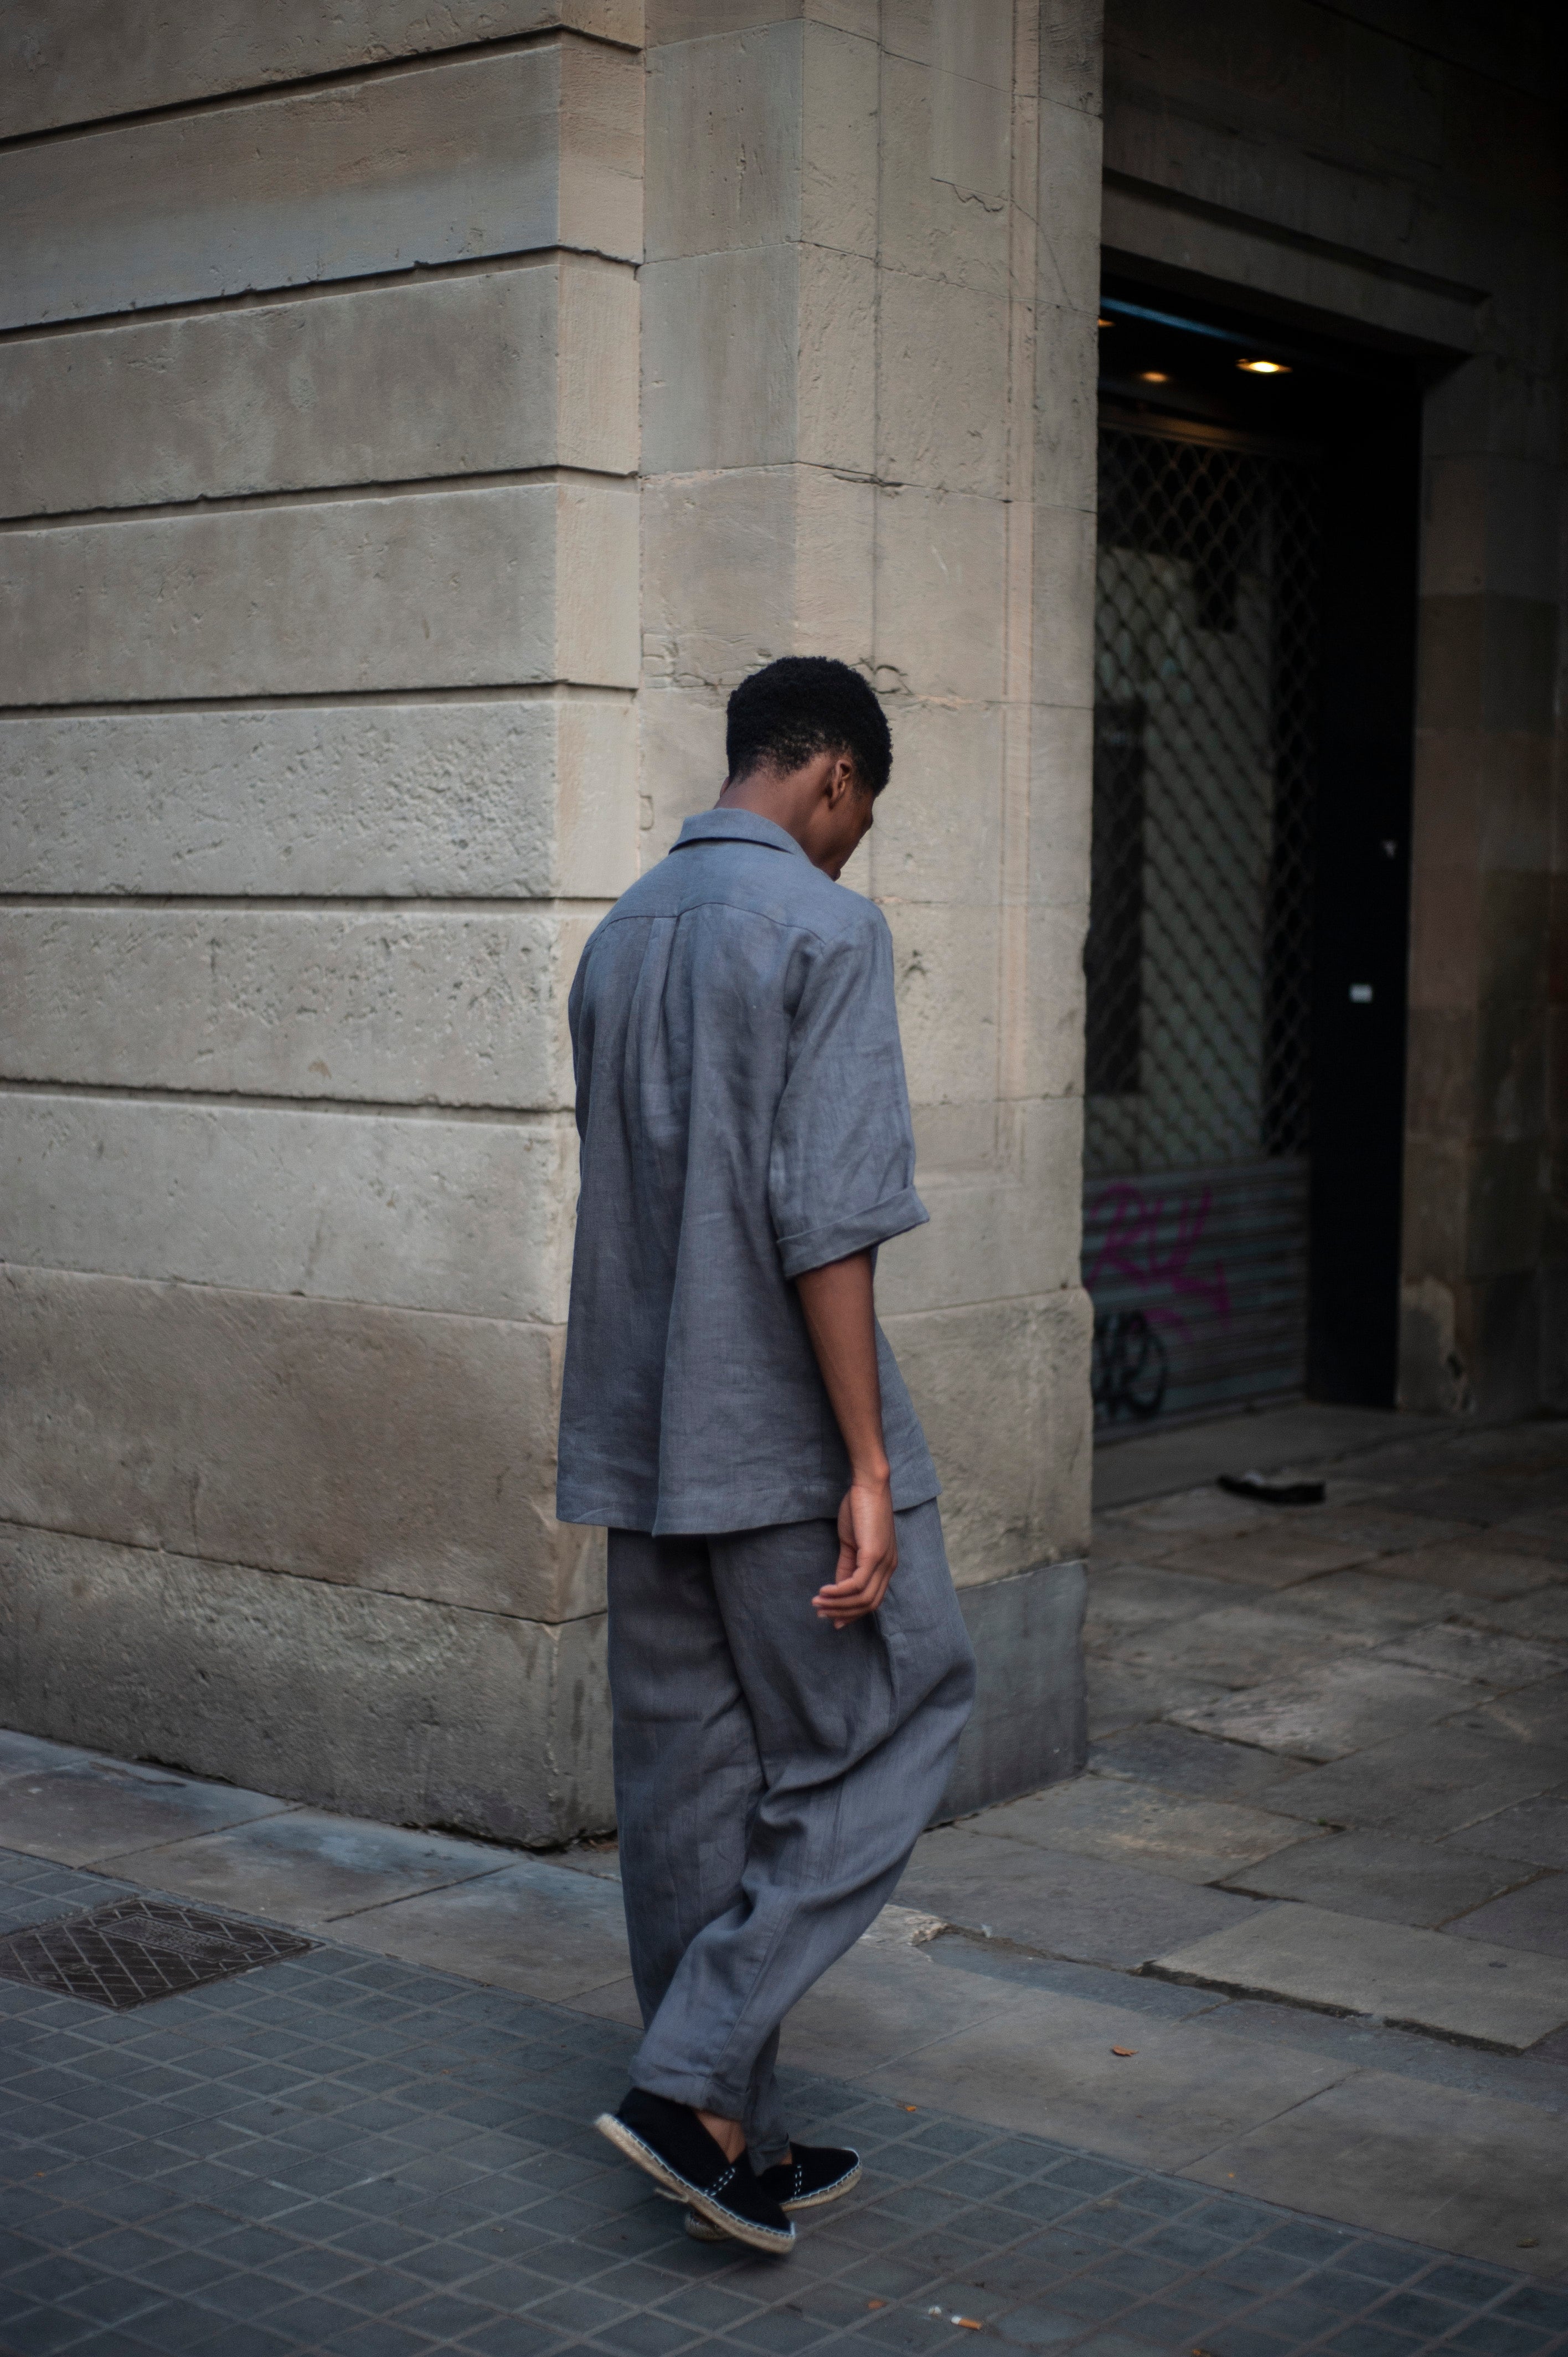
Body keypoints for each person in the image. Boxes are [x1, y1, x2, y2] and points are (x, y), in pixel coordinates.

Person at [557, 655, 976, 2255]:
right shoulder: (823, 925)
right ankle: (688, 2080)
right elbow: (830, 1215)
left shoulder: (619, 937)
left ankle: (730, 2128)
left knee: (687, 1795)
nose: (854, 844)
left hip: (639, 1438)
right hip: (779, 1441)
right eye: (859, 817)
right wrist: (865, 1462)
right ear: (833, 780)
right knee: (899, 1718)